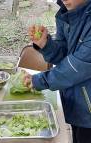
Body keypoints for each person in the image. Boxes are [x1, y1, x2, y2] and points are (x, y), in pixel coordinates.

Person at [24, 0, 91, 143]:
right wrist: (45, 44)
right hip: (77, 101)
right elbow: (64, 55)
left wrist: (40, 80)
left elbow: (76, 67)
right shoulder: (67, 13)